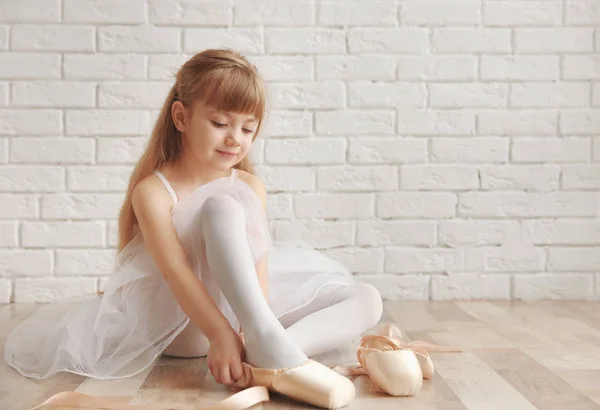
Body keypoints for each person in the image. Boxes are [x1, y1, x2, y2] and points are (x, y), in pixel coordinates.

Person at [4, 49, 383, 391]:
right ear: (181, 117)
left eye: (247, 129)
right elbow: (176, 273)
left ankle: (274, 351)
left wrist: (248, 327)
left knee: (367, 298)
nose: (235, 138)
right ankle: (266, 346)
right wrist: (220, 333)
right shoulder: (153, 191)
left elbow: (259, 265)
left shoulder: (251, 184)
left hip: (244, 318)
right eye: (220, 123)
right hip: (185, 326)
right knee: (221, 207)